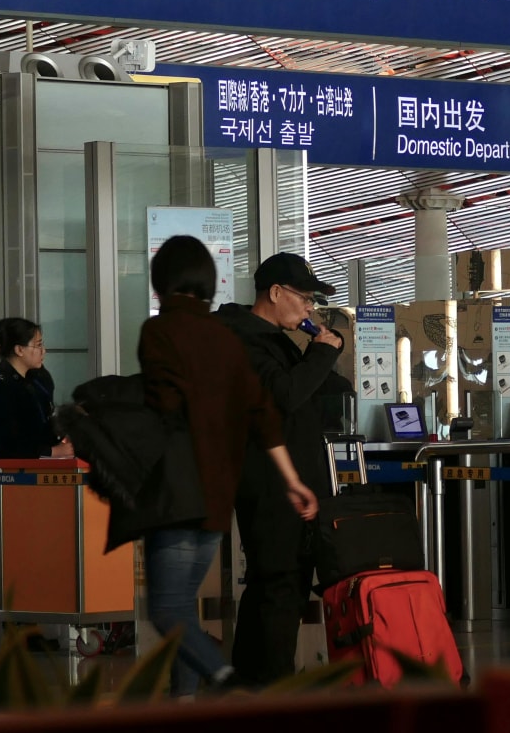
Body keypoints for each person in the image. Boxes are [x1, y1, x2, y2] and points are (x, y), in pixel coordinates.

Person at [137, 235, 318, 696]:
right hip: (210, 488)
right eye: (305, 296)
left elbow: (164, 405)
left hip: (187, 486)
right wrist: (292, 478)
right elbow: (268, 408)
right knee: (181, 606)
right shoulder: (233, 338)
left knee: (172, 609)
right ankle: (220, 691)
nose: (310, 308)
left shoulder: (170, 334)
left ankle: (223, 686)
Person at [214, 252, 347, 685]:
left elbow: (309, 390)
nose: (310, 308)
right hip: (270, 488)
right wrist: (321, 354)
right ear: (275, 292)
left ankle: (253, 688)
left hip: (286, 485)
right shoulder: (243, 340)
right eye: (305, 298)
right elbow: (283, 397)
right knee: (279, 589)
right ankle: (270, 689)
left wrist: (325, 351)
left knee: (275, 588)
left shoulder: (271, 339)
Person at [0, 318, 72, 461]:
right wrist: (53, 451)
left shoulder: (39, 378)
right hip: (16, 473)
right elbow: (7, 442)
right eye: (38, 345)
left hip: (46, 465)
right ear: (19, 350)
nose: (43, 351)